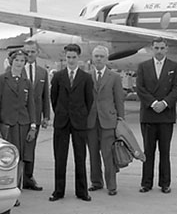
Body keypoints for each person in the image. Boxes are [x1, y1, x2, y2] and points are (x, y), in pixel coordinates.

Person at [0, 49, 37, 206]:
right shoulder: (1, 79)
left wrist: (33, 126)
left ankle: (16, 191)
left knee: (20, 159)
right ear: (11, 62)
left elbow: (31, 105)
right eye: (17, 60)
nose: (19, 63)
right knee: (7, 159)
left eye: (22, 61)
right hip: (7, 125)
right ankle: (4, 192)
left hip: (22, 124)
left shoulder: (26, 82)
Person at [136, 37, 177, 193]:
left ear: (167, 49)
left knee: (165, 150)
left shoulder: (174, 67)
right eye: (156, 48)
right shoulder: (143, 66)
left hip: (166, 116)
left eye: (162, 48)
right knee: (148, 151)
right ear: (152, 49)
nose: (159, 51)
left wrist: (165, 103)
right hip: (149, 114)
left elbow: (176, 89)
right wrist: (154, 103)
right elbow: (140, 88)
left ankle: (165, 183)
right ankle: (146, 183)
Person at [50, 44, 94, 202]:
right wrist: (61, 113)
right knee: (60, 157)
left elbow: (89, 101)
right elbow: (53, 98)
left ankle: (82, 191)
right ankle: (58, 191)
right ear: (65, 57)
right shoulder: (58, 77)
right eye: (68, 57)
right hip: (62, 122)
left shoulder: (86, 78)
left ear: (79, 58)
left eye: (74, 57)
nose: (71, 60)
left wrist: (80, 115)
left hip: (79, 122)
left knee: (80, 157)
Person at [87, 45, 125, 196]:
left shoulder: (114, 77)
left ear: (107, 59)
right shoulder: (87, 76)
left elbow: (119, 100)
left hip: (108, 120)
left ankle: (111, 185)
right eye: (96, 56)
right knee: (93, 153)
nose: (98, 59)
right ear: (92, 58)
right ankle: (96, 182)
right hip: (90, 121)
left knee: (108, 154)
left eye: (101, 56)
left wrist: (120, 119)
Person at [22, 41, 50, 191]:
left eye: (32, 51)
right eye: (27, 52)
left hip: (36, 117)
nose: (30, 55)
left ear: (37, 53)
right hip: (20, 117)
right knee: (19, 148)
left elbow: (46, 95)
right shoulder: (17, 69)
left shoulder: (42, 72)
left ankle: (29, 177)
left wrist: (46, 116)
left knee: (31, 147)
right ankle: (17, 179)